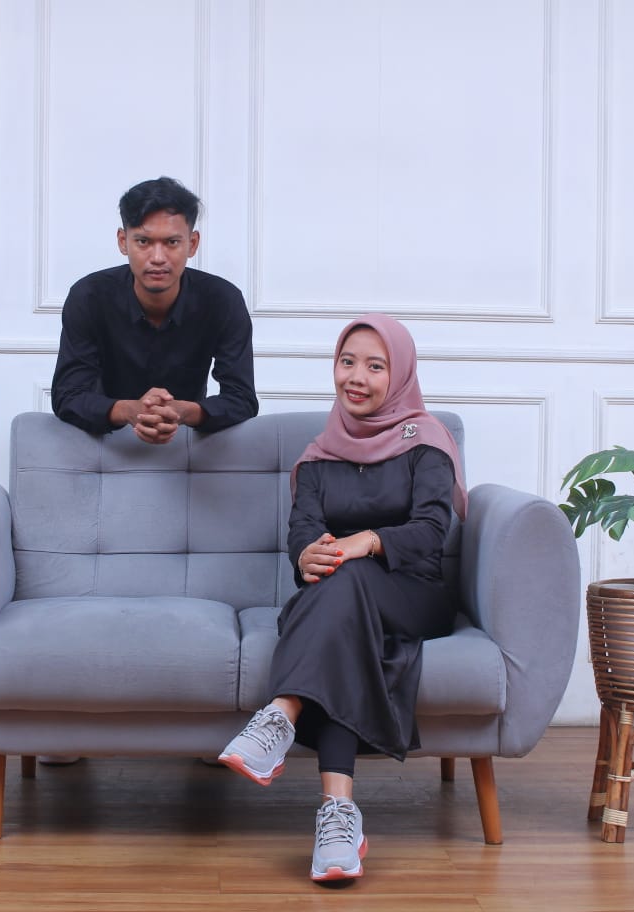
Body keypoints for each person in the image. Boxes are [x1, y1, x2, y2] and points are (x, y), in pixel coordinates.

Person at [217, 313, 468, 883]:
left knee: (342, 582)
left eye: (375, 366)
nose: (356, 376)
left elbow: (432, 531)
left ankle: (281, 715)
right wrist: (308, 555)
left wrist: (365, 542)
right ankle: (338, 818)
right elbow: (302, 532)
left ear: (399, 375)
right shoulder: (319, 456)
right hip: (339, 598)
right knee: (341, 611)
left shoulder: (426, 441)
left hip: (414, 592)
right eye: (347, 362)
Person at [50, 176, 258, 444]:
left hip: (186, 444)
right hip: (105, 443)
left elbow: (242, 399)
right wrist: (128, 411)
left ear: (192, 243)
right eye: (143, 242)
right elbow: (68, 395)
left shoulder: (223, 300)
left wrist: (184, 412)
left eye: (172, 242)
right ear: (123, 241)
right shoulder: (89, 297)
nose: (158, 258)